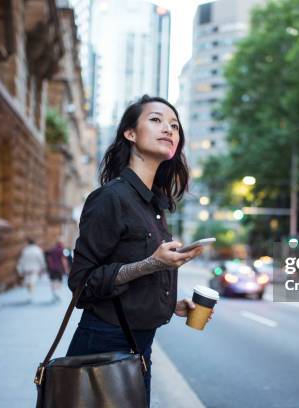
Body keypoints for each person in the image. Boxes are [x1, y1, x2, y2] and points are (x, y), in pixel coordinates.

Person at [66, 95, 209, 406]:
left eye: (174, 125)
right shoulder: (110, 198)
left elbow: (133, 265)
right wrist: (151, 264)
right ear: (130, 134)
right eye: (156, 120)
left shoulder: (154, 205)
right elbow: (81, 283)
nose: (169, 129)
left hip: (139, 345)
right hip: (104, 343)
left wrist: (172, 303)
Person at [16, 238, 46, 302]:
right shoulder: (38, 250)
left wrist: (20, 270)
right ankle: (31, 295)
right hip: (34, 269)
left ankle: (30, 295)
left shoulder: (25, 250)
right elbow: (41, 260)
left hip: (26, 270)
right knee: (32, 282)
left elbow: (21, 261)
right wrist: (43, 267)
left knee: (28, 282)